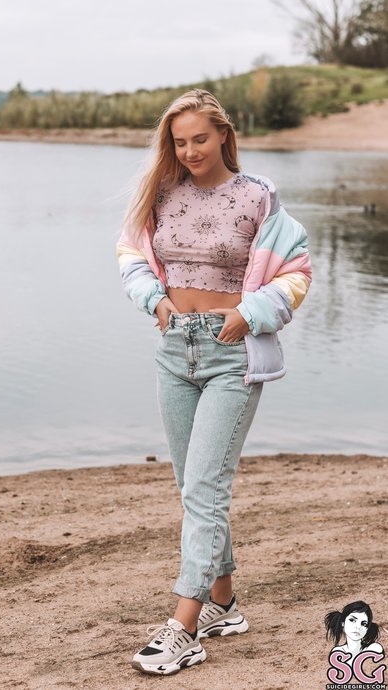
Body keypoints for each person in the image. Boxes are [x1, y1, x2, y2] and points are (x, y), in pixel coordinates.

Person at [116, 88, 312, 676]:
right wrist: (153, 300)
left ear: (224, 134)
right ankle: (223, 604)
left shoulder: (258, 196)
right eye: (180, 142)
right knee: (191, 486)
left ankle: (184, 626)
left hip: (231, 354)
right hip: (174, 349)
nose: (190, 151)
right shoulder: (161, 193)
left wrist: (250, 314)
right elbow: (130, 254)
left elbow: (296, 270)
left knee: (205, 488)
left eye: (200, 138)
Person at [325, 601, 383, 666]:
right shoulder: (337, 652)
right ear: (343, 623)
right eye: (352, 620)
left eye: (364, 624)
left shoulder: (374, 648)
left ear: (367, 629)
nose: (358, 627)